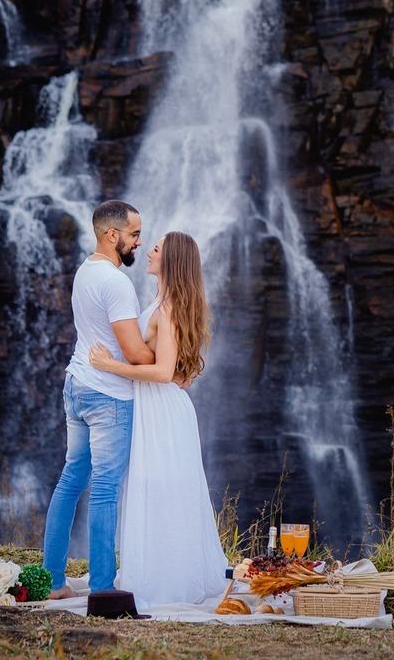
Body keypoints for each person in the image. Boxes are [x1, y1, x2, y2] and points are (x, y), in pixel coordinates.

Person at [89, 232, 229, 607]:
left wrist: (109, 365)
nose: (148, 251)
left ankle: (167, 584)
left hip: (163, 411)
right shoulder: (170, 302)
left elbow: (166, 372)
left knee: (161, 490)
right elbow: (181, 370)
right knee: (162, 491)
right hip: (162, 408)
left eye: (157, 248)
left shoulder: (168, 308)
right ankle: (162, 574)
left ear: (172, 261)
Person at [42, 200, 154, 599]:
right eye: (135, 234)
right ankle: (103, 588)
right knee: (105, 488)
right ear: (113, 234)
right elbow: (136, 353)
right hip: (108, 395)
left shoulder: (85, 271)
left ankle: (52, 581)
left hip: (77, 386)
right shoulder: (117, 282)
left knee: (71, 479)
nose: (140, 242)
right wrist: (177, 361)